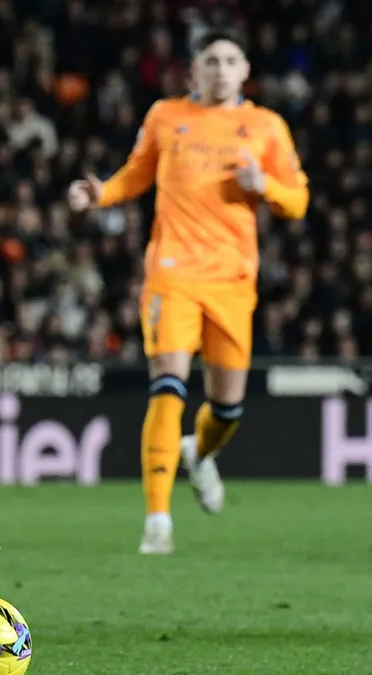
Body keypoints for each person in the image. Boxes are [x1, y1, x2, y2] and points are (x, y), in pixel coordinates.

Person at [67, 29, 308, 554]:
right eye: (211, 60)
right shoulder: (165, 115)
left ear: (245, 72)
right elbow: (135, 175)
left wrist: (264, 186)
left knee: (227, 409)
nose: (220, 69)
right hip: (172, 273)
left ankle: (199, 453)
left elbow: (298, 201)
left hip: (233, 280)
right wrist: (99, 194)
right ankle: (158, 520)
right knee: (167, 386)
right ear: (193, 71)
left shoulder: (266, 127)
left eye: (230, 60)